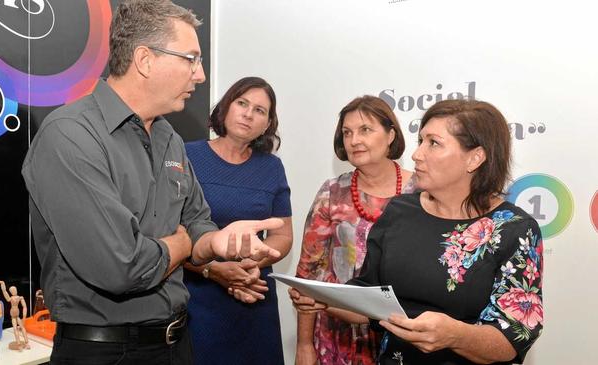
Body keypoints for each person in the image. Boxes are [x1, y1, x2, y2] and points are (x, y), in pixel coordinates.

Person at [21, 1, 282, 364]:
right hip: (105, 352)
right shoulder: (70, 136)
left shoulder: (169, 139)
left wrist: (213, 241)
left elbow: (197, 220)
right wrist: (184, 241)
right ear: (145, 60)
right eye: (191, 58)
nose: (201, 75)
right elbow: (122, 266)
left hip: (177, 344)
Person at [291, 99, 544, 365]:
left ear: (474, 158)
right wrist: (321, 299)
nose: (417, 154)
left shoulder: (515, 229)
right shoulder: (400, 210)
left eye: (433, 143)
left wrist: (457, 336)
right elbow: (369, 300)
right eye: (420, 141)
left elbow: (513, 337)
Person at [295, 95, 414, 365]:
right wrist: (304, 345)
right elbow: (309, 273)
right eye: (347, 133)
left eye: (365, 130)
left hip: (402, 335)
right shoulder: (331, 192)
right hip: (337, 335)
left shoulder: (421, 192)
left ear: (391, 135)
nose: (354, 140)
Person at [182, 76, 293, 365]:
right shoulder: (186, 155)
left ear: (268, 124)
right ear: (226, 107)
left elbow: (283, 235)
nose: (248, 113)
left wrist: (251, 266)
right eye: (242, 103)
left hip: (254, 293)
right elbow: (172, 232)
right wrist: (215, 270)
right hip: (198, 296)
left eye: (260, 110)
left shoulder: (272, 167)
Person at [0, 280, 30, 350]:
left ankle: (26, 342)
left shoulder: (20, 298)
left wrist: (24, 317)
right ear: (11, 292)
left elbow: (24, 307)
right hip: (13, 315)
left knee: (22, 327)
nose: (14, 291)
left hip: (17, 315)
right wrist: (2, 283)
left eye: (14, 290)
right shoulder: (11, 298)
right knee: (15, 329)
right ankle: (19, 344)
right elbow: (4, 292)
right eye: (12, 290)